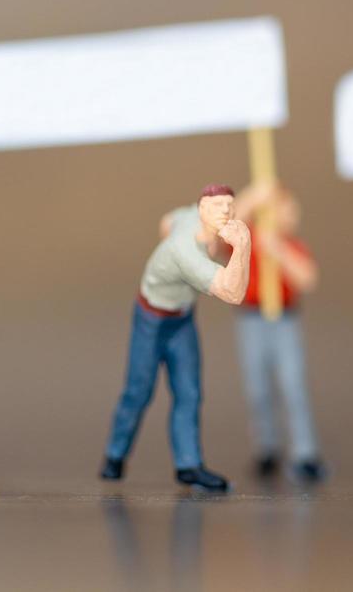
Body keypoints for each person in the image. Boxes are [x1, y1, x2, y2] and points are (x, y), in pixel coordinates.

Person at [100, 185, 252, 493]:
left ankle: (189, 464)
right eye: (215, 205)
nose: (224, 210)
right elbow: (233, 292)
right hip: (151, 320)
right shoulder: (185, 250)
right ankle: (114, 455)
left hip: (182, 319)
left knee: (190, 392)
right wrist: (243, 246)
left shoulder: (186, 218)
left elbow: (167, 221)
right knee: (138, 392)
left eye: (228, 205)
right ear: (202, 210)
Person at [230, 181, 325, 482]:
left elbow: (307, 279)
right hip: (251, 319)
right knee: (257, 386)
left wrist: (278, 249)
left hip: (284, 320)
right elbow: (229, 226)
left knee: (292, 384)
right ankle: (266, 447)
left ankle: (305, 453)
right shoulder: (247, 237)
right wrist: (252, 195)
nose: (293, 216)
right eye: (286, 209)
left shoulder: (290, 244)